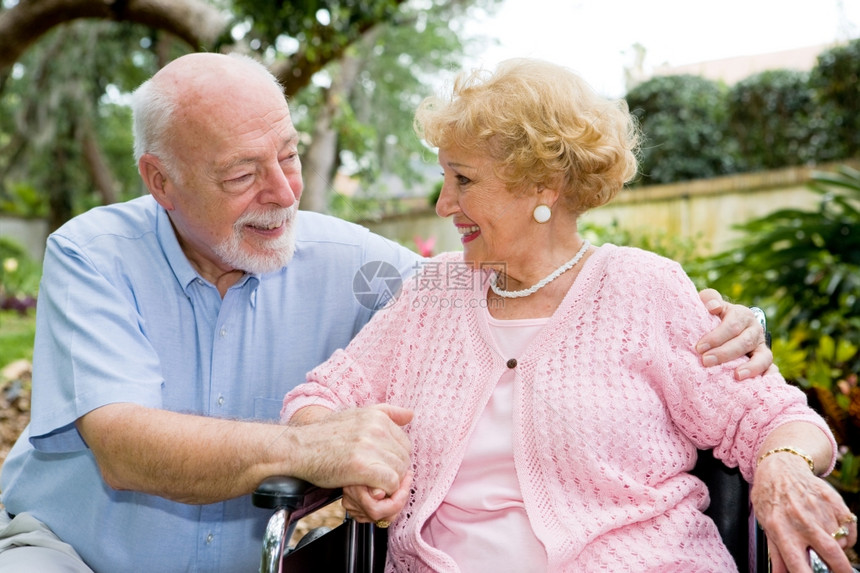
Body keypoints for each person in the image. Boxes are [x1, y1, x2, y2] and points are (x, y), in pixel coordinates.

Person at [0, 52, 766, 573]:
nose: (286, 191)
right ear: (159, 181)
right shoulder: (91, 253)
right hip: (78, 553)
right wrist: (321, 446)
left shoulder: (375, 269)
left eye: (290, 155)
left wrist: (729, 325)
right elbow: (127, 447)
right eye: (243, 174)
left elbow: (500, 292)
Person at [281, 58, 856, 573]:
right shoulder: (433, 295)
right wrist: (345, 456)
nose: (443, 205)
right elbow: (318, 398)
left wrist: (783, 464)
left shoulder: (643, 289)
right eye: (443, 178)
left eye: (463, 179)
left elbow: (779, 418)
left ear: (544, 185)